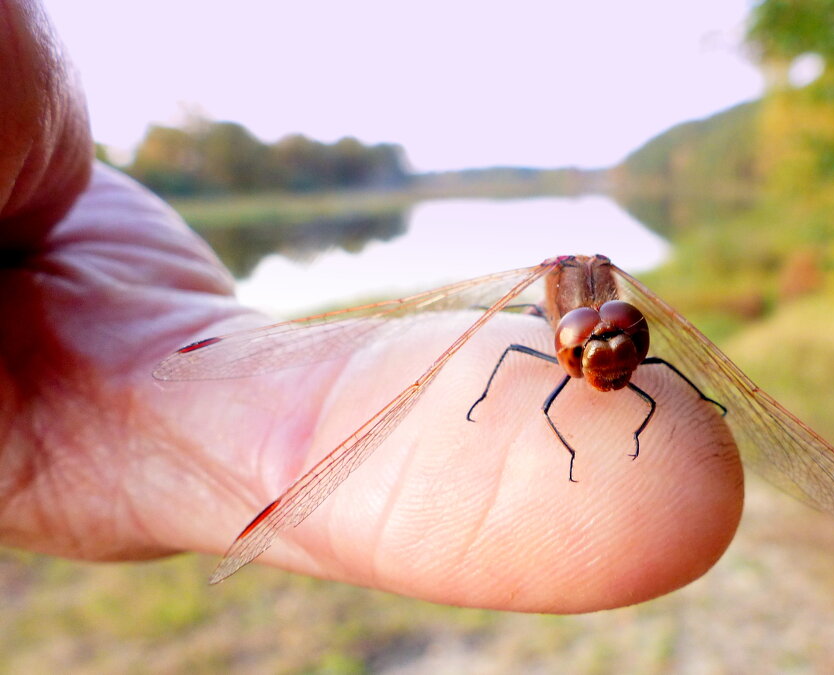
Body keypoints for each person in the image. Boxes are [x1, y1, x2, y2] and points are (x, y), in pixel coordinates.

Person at [0, 0, 742, 612]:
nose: (611, 357)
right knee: (509, 364)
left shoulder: (616, 328)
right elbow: (548, 392)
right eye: (593, 345)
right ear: (569, 338)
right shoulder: (556, 331)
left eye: (622, 341)